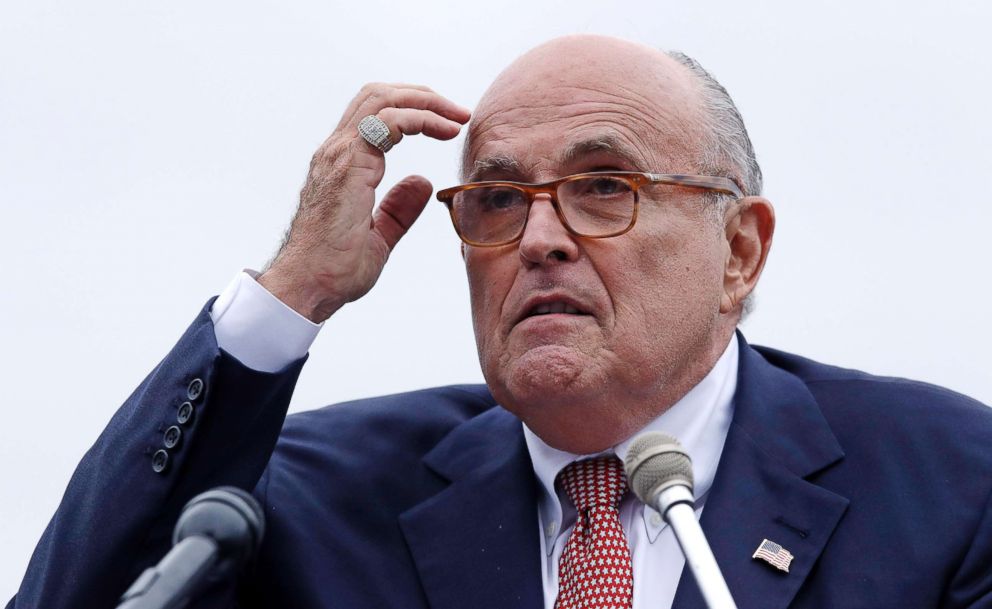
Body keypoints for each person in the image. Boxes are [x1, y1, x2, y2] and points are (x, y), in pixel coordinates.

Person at [9, 34, 992, 609]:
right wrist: (289, 293)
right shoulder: (307, 504)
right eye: (495, 200)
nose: (537, 240)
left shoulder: (946, 485)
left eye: (602, 188)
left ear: (737, 250)